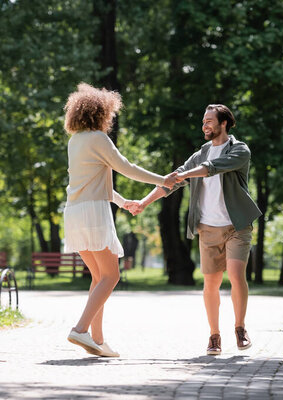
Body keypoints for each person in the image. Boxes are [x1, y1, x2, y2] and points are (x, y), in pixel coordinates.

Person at [128, 104, 262, 355]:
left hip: (237, 225)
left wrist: (181, 175)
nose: (205, 126)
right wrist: (143, 203)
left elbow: (212, 168)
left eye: (209, 121)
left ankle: (240, 328)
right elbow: (172, 181)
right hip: (208, 227)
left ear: (224, 123)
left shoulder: (239, 149)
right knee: (210, 284)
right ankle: (214, 336)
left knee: (235, 275)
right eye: (203, 122)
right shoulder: (200, 153)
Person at [63, 83, 177, 357]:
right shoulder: (98, 139)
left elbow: (91, 182)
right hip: (93, 211)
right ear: (99, 112)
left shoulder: (75, 140)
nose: (111, 118)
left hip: (75, 210)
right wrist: (164, 180)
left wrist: (123, 201)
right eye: (109, 113)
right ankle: (80, 329)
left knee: (99, 276)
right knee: (111, 276)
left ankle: (98, 340)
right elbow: (127, 168)